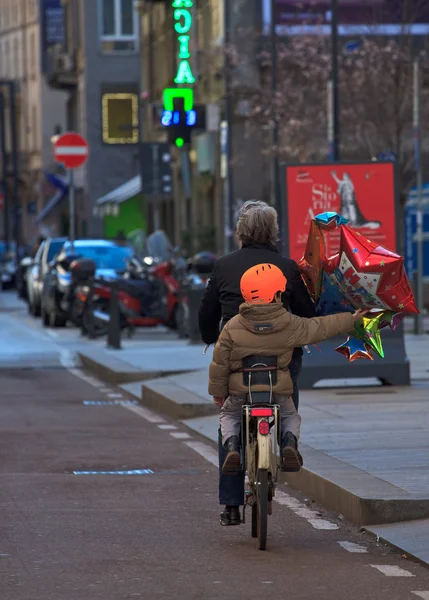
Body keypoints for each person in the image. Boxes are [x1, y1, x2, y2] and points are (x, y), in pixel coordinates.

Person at [198, 200, 316, 526]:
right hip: (280, 359)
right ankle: (287, 441)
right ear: (272, 231)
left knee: (230, 418)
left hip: (238, 359)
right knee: (286, 403)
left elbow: (207, 313)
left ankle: (231, 505)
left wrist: (210, 337)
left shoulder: (222, 266)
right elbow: (307, 314)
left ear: (241, 231)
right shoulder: (287, 267)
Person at [209, 263, 366, 477]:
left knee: (228, 414)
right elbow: (321, 327)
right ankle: (288, 444)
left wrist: (218, 393)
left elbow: (220, 362)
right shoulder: (290, 323)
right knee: (290, 415)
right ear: (276, 295)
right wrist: (351, 319)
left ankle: (232, 448)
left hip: (242, 389)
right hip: (277, 388)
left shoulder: (232, 326)